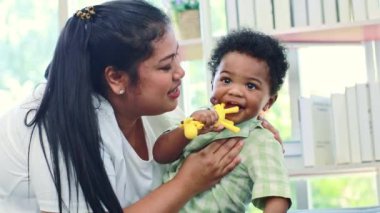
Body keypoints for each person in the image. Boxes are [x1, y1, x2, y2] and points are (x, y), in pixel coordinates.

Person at [0, 1, 245, 212]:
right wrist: (187, 183)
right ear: (116, 78)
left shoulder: (154, 113)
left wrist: (251, 129)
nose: (180, 72)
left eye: (176, 57)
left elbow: (196, 140)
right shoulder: (63, 125)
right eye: (165, 66)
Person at [153, 29, 292, 212]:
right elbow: (160, 154)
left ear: (269, 102)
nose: (234, 91)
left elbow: (277, 196)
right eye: (226, 80)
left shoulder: (261, 141)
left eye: (251, 86)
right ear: (212, 84)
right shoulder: (199, 122)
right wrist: (186, 132)